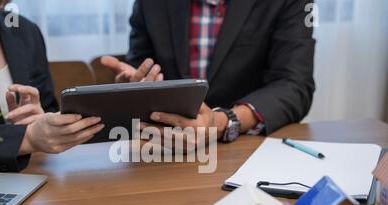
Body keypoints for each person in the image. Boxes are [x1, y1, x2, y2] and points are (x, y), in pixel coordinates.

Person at [102, 0, 316, 145]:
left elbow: (294, 84)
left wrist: (222, 122)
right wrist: (134, 85)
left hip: (247, 147)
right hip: (164, 147)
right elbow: (140, 62)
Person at [0, 0, 105, 172]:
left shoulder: (25, 30)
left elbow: (48, 109)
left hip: (28, 180)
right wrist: (26, 138)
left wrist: (40, 121)